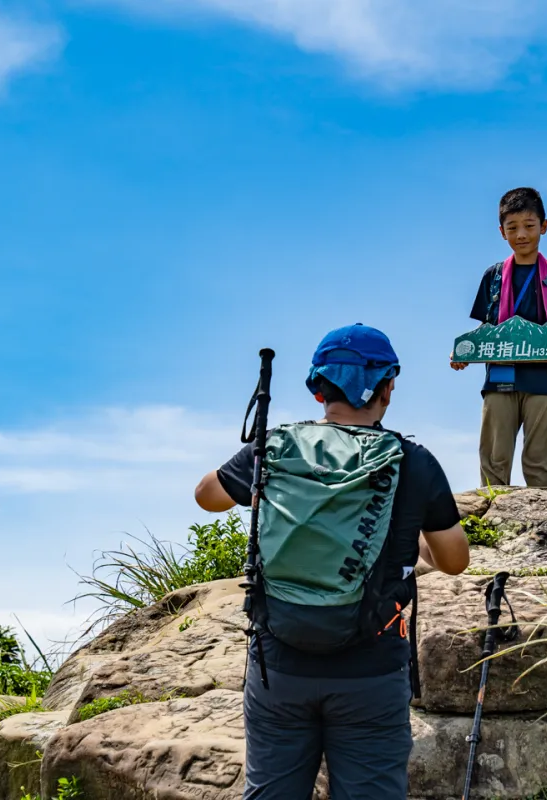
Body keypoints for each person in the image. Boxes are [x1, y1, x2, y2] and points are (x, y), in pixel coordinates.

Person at [194, 323, 470, 800]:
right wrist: (412, 538)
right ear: (386, 388)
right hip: (371, 670)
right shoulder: (412, 460)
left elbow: (207, 497)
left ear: (319, 388)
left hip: (277, 663)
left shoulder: (276, 446)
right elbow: (454, 561)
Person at [451, 187, 547, 488]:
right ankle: (491, 520)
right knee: (494, 455)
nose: (521, 234)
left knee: (539, 458)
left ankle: (542, 519)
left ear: (543, 226)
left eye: (529, 226)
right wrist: (462, 353)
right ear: (502, 232)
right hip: (499, 378)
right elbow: (484, 329)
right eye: (512, 227)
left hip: (543, 377)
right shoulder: (494, 276)